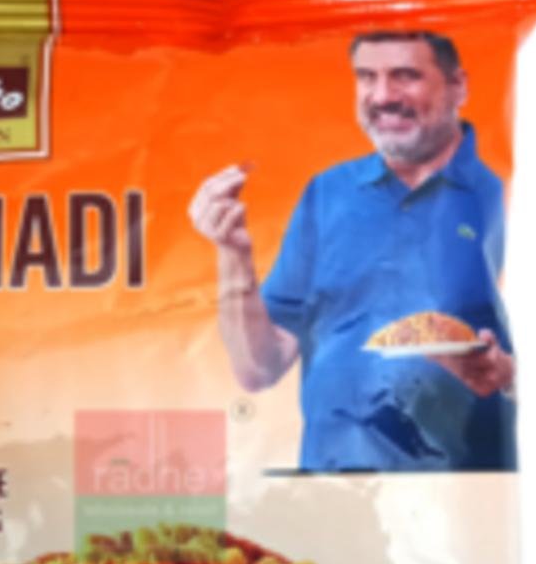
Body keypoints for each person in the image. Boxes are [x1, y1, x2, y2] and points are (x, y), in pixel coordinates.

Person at [189, 31, 516, 471]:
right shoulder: (328, 193)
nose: (382, 96)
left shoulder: (507, 191)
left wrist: (510, 375)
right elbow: (259, 369)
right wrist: (233, 255)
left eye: (405, 75)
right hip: (331, 486)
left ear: (458, 86)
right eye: (366, 77)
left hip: (459, 491)